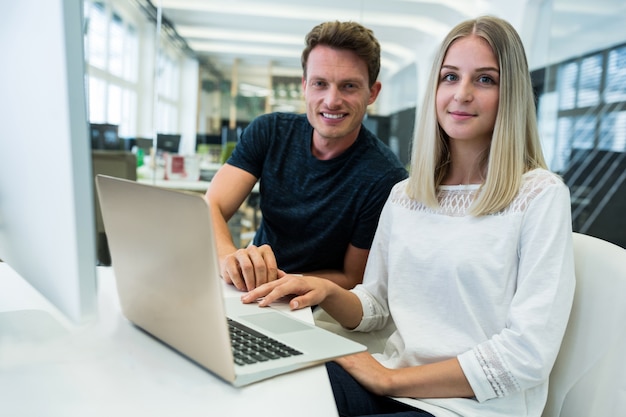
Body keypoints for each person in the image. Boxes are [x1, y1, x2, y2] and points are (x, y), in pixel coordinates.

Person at [241, 15, 576, 417]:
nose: (462, 94)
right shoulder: (406, 195)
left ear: (513, 94)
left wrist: (387, 379)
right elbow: (378, 304)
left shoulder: (539, 195)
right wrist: (327, 291)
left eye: (485, 79)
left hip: (468, 407)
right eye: (450, 77)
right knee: (265, 387)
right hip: (391, 386)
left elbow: (527, 354)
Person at [206, 21, 407, 292]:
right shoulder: (269, 131)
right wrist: (228, 258)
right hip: (250, 285)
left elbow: (354, 277)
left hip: (321, 302)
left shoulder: (385, 177)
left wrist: (279, 282)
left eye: (349, 86)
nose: (332, 100)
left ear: (372, 92)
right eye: (320, 84)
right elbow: (211, 205)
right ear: (304, 86)